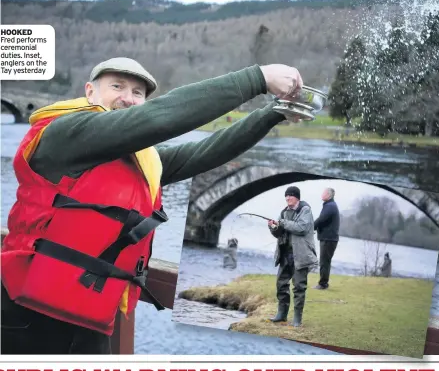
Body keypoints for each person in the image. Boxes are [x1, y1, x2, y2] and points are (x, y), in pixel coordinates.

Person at [1, 57, 306, 354]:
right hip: (22, 316)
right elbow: (161, 117)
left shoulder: (141, 162)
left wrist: (274, 112)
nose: (128, 98)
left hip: (89, 326)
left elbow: (205, 152)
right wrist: (259, 78)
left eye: (137, 93)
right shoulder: (63, 133)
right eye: (117, 87)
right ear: (90, 92)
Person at [267, 186, 318, 327]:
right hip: (285, 254)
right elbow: (279, 233)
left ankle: (297, 319)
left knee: (299, 287)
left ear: (297, 197)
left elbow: (301, 228)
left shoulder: (305, 210)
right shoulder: (284, 212)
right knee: (281, 284)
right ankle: (281, 315)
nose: (288, 198)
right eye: (286, 196)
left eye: (290, 196)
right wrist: (273, 227)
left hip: (301, 255)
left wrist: (282, 223)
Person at [313, 187, 340, 290]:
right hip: (328, 238)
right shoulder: (329, 205)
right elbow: (322, 220)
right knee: (325, 261)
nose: (322, 194)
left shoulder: (330, 206)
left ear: (328, 195)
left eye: (324, 192)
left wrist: (310, 228)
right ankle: (323, 283)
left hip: (329, 239)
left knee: (324, 261)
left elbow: (321, 220)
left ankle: (323, 284)